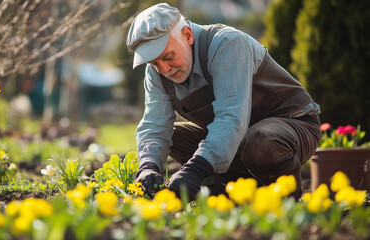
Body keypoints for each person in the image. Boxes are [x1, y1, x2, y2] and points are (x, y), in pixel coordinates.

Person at [126, 3, 322, 201]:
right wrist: (148, 167)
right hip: (241, 139)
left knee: (260, 141)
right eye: (154, 63)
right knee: (173, 137)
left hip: (293, 125)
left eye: (169, 57)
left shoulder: (227, 44)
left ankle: (286, 202)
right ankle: (232, 191)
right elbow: (154, 125)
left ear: (187, 35)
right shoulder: (157, 74)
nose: (164, 69)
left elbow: (231, 118)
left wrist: (194, 170)